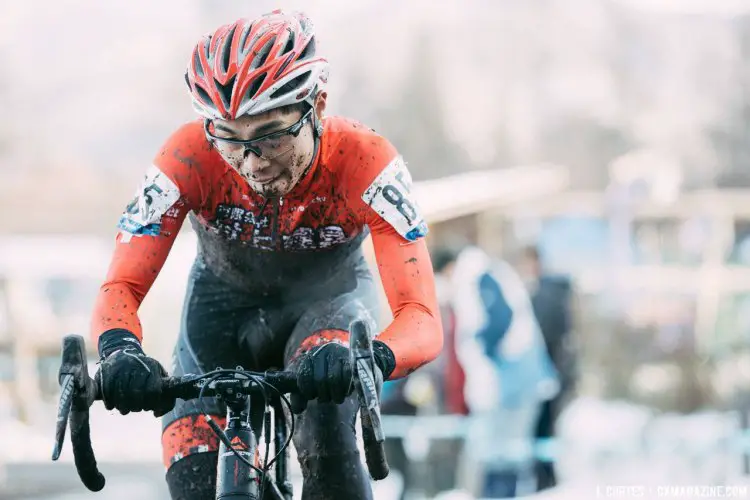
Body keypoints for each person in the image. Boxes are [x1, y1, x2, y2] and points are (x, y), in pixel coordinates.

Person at [89, 10, 443, 500]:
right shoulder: (188, 155)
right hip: (218, 312)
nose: (252, 162)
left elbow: (421, 316)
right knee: (192, 477)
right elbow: (121, 285)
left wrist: (373, 358)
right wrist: (120, 351)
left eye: (271, 135)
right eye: (230, 137)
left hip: (327, 309)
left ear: (317, 106)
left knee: (329, 440)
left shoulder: (368, 161)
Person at [438, 245, 559, 498]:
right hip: (512, 380)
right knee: (501, 450)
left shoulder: (481, 278)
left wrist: (481, 347)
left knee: (504, 451)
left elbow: (500, 318)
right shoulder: (489, 273)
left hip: (513, 380)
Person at [518, 245, 576, 491]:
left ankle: (545, 483)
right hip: (556, 375)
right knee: (546, 430)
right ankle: (546, 481)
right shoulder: (555, 295)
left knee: (542, 430)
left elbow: (545, 340)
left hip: (547, 376)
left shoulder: (543, 298)